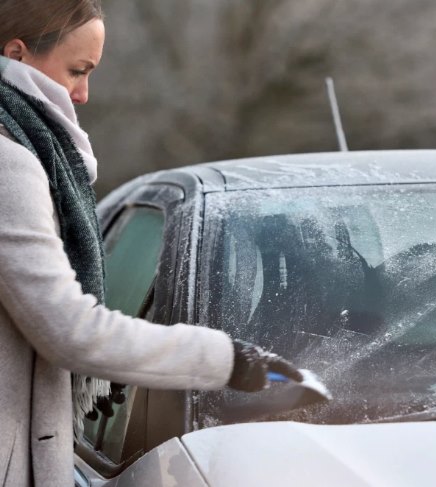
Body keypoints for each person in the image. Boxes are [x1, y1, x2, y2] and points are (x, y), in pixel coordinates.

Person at [0, 2, 303, 486]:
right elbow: (70, 330)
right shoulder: (9, 166)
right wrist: (228, 359)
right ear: (17, 54)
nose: (82, 94)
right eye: (76, 71)